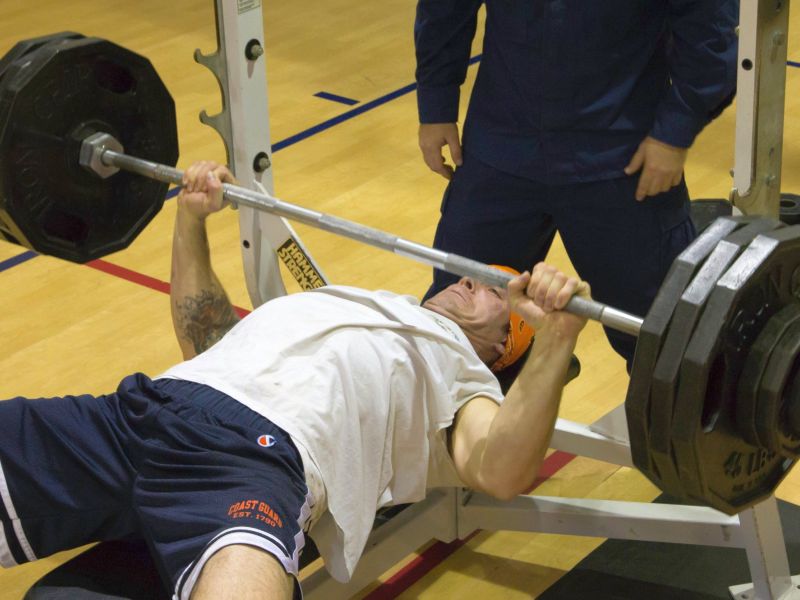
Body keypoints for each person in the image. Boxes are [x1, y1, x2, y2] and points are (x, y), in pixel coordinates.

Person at [0, 162, 590, 600]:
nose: (474, 282)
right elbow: (204, 335)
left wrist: (558, 342)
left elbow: (500, 469)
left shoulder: (465, 380)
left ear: (504, 346)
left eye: (497, 292)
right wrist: (190, 219)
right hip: (145, 408)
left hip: (251, 462)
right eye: (477, 274)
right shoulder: (360, 300)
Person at [414, 0, 738, 365]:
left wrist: (675, 131)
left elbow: (709, 30)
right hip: (500, 150)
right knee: (456, 327)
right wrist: (436, 103)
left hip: (620, 161)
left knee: (663, 347)